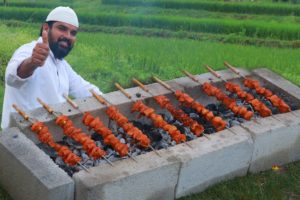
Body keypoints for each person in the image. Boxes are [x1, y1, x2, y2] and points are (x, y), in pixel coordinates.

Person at [1, 6, 102, 129]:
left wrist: (112, 102)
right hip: (22, 135)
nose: (68, 36)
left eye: (73, 33)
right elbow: (12, 78)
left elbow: (85, 89)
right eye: (62, 29)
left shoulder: (62, 65)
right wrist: (32, 62)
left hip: (52, 133)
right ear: (46, 28)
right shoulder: (29, 50)